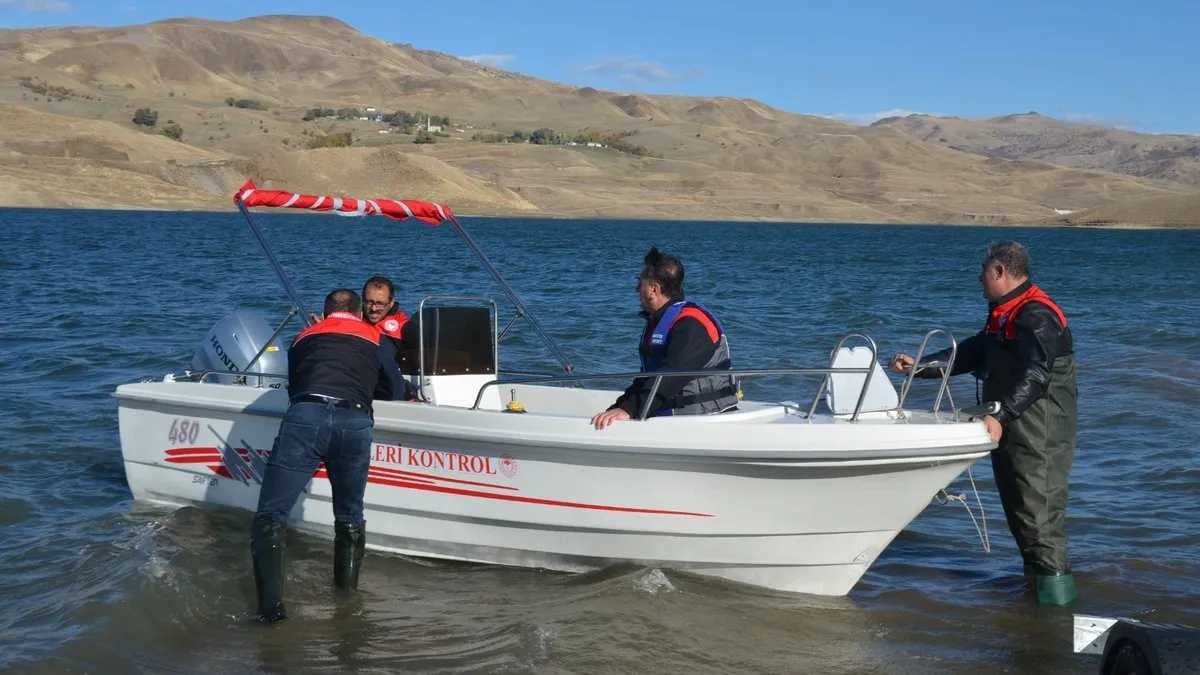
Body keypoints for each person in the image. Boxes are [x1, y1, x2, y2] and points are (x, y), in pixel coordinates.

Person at [888, 241, 1079, 605]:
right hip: (1014, 424)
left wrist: (1001, 414)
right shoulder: (1006, 311)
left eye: (983, 270)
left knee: (1039, 520)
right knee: (1021, 516)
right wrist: (920, 367)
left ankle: (1057, 616)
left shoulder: (1036, 315)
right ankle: (1033, 605)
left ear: (1000, 272)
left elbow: (1036, 375)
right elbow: (974, 351)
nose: (979, 278)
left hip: (1040, 431)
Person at [250, 288, 401, 623]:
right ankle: (346, 604)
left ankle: (270, 613)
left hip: (306, 417)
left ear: (325, 310)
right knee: (349, 515)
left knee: (271, 516)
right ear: (360, 310)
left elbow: (295, 385)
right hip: (354, 421)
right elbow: (394, 387)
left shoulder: (304, 336)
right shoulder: (374, 337)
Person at [591, 246, 741, 430]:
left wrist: (630, 410)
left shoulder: (693, 324)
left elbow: (671, 376)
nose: (636, 288)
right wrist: (619, 407)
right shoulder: (659, 321)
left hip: (705, 422)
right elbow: (648, 378)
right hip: (674, 418)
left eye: (640, 283)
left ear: (654, 289)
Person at [360, 275, 417, 401]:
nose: (374, 309)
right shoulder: (353, 319)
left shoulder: (402, 325)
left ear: (391, 303)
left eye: (380, 304)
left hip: (388, 382)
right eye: (369, 302)